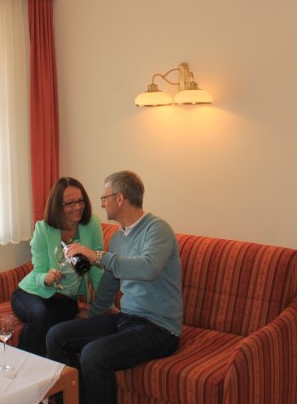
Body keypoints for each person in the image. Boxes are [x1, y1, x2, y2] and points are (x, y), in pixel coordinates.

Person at [46, 170, 182, 404]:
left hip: (159, 328)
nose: (102, 204)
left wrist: (98, 256)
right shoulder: (119, 237)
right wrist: (94, 313)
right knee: (56, 336)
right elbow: (111, 281)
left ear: (120, 199)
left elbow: (148, 268)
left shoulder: (157, 229)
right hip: (127, 318)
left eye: (104, 198)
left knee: (93, 355)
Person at [10, 177, 104, 357]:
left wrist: (101, 304)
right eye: (70, 203)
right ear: (57, 205)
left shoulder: (91, 224)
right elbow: (38, 272)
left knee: (49, 323)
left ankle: (22, 362)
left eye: (81, 200)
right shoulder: (43, 229)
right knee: (39, 315)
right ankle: (31, 368)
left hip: (65, 301)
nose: (78, 207)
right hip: (31, 293)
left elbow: (98, 263)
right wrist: (46, 277)